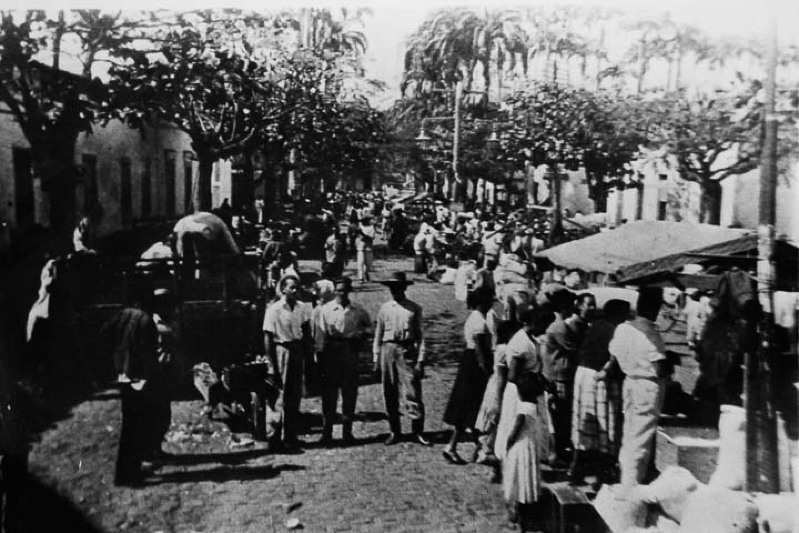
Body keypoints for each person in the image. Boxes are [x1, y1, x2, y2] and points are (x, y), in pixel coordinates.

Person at [101, 283, 169, 485]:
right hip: (140, 380)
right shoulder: (146, 320)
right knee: (138, 428)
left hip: (123, 377)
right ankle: (128, 474)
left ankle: (127, 472)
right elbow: (148, 357)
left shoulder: (120, 315)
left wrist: (116, 359)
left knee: (129, 427)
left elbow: (103, 334)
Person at [606, 287, 668, 490]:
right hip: (647, 385)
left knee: (629, 433)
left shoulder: (623, 328)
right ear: (655, 308)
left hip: (630, 381)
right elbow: (659, 367)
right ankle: (631, 486)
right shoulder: (650, 333)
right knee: (641, 437)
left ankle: (626, 478)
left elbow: (614, 354)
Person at [568, 299, 630, 485]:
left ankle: (577, 469)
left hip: (583, 375)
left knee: (585, 426)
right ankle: (602, 473)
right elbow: (615, 359)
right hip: (599, 377)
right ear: (618, 314)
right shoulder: (615, 330)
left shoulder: (595, 325)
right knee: (605, 425)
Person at [373, 272, 431, 446]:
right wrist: (376, 358)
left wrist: (420, 360)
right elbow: (378, 334)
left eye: (398, 287)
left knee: (412, 391)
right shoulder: (385, 308)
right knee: (389, 390)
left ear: (405, 288)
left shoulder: (414, 308)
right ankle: (394, 431)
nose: (395, 291)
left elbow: (421, 337)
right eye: (392, 288)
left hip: (407, 350)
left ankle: (417, 431)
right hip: (388, 349)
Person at [314, 278, 371, 445]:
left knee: (349, 393)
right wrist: (319, 357)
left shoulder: (358, 311)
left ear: (349, 291)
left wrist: (359, 334)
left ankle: (347, 432)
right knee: (329, 395)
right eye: (338, 290)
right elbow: (320, 336)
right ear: (334, 291)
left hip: (350, 353)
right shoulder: (326, 309)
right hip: (331, 354)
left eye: (344, 290)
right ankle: (327, 433)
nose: (341, 293)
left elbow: (369, 328)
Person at [442, 287, 494, 464]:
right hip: (474, 365)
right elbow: (480, 351)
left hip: (469, 361)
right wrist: (487, 371)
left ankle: (480, 448)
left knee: (474, 407)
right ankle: (451, 447)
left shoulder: (474, 317)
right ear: (482, 302)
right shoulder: (479, 321)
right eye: (488, 302)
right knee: (468, 406)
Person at [263, 275, 313, 451]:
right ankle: (275, 438)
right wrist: (272, 364)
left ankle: (290, 436)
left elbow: (306, 331)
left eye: (297, 287)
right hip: (281, 350)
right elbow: (268, 337)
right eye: (291, 287)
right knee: (281, 396)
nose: (295, 290)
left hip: (297, 350)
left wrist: (308, 354)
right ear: (283, 289)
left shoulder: (302, 308)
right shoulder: (274, 309)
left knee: (295, 395)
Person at [502, 371, 546, 529]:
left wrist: (507, 443)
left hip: (520, 447)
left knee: (516, 478)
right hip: (530, 446)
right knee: (526, 478)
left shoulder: (522, 409)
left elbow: (515, 431)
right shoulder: (534, 406)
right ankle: (526, 511)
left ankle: (517, 516)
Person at [541, 289, 580, 466]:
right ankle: (555, 453)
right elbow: (575, 349)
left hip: (556, 374)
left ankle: (558, 451)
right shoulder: (560, 328)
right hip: (559, 376)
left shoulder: (558, 325)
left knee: (559, 416)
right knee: (559, 417)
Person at [355, 216, 376, 282]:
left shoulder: (371, 228)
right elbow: (360, 238)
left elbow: (371, 238)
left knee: (368, 264)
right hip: (360, 248)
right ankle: (361, 278)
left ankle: (366, 273)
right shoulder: (360, 227)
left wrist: (362, 234)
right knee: (360, 263)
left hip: (369, 248)